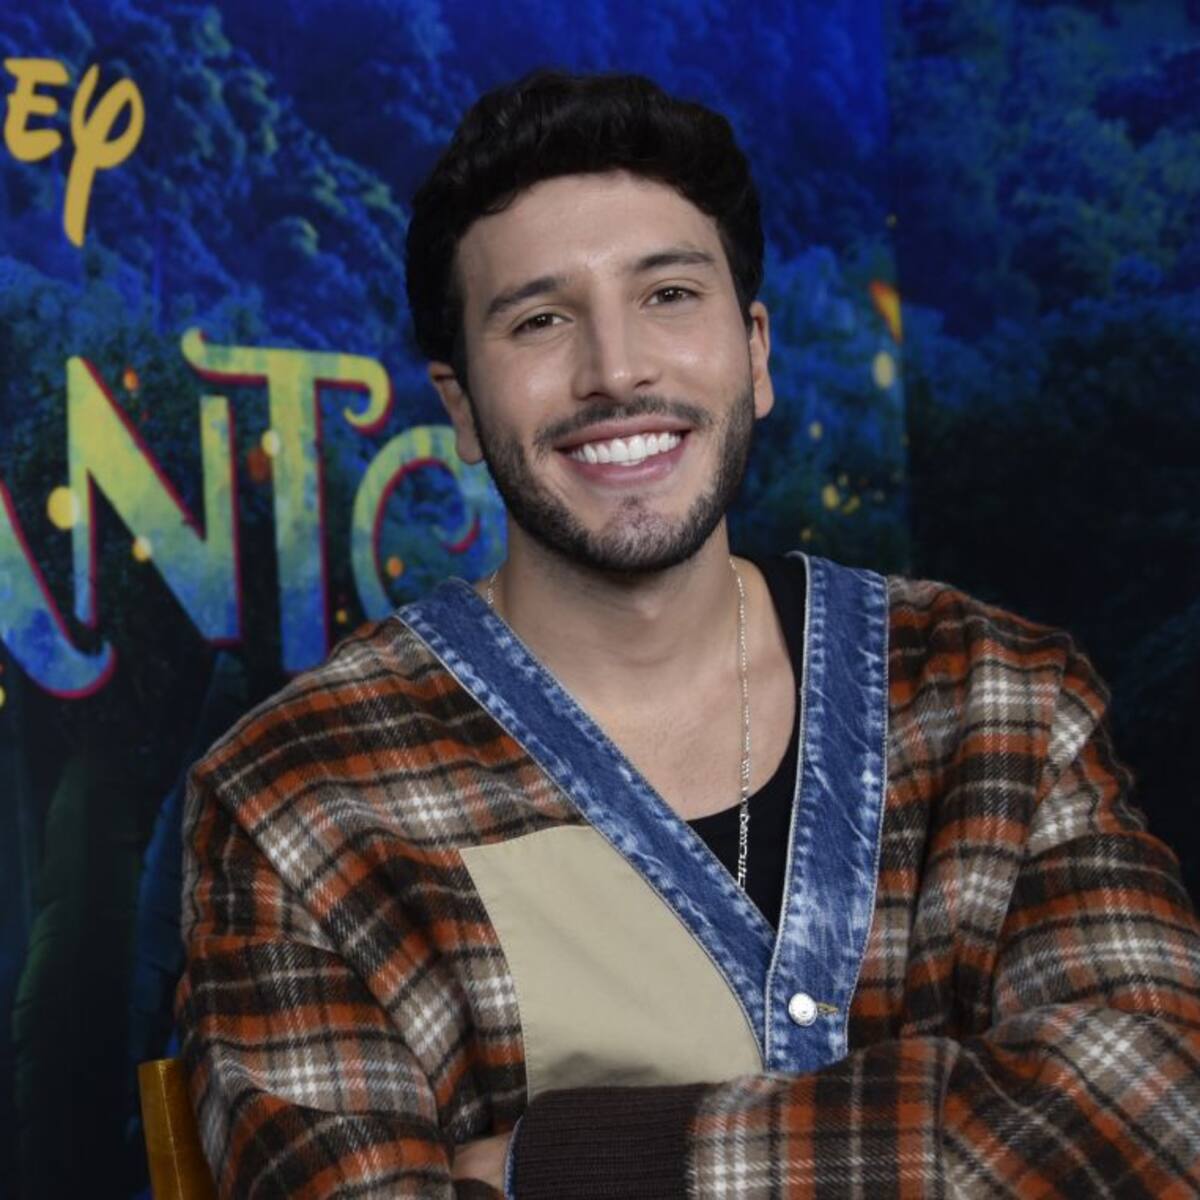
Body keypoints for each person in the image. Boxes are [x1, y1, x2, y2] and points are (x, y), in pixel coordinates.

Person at [176, 70, 1200, 1197]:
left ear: (755, 354)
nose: (616, 370)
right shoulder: (305, 797)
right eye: (539, 319)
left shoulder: (996, 696)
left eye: (668, 294)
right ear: (461, 405)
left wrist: (576, 1164)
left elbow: (1156, 1115)